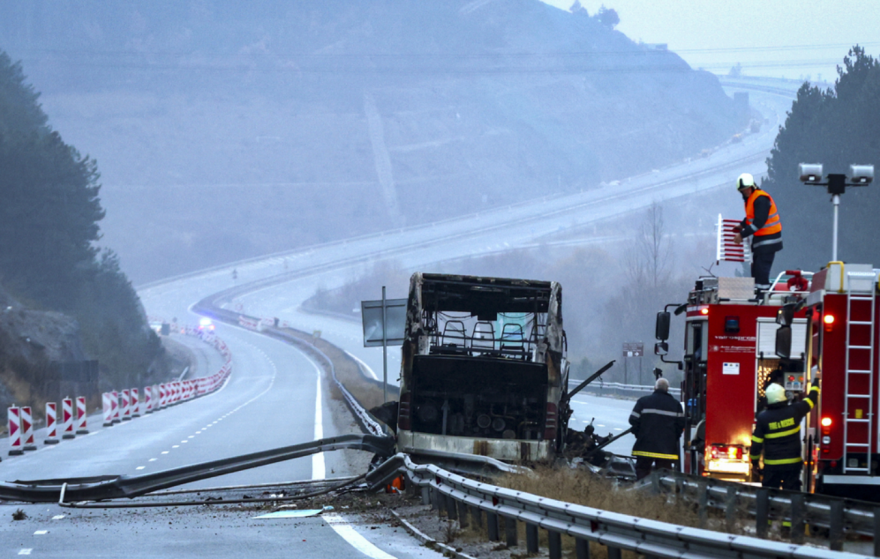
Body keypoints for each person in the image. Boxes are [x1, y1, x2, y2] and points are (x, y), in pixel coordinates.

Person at [749, 380, 820, 490]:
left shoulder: (763, 418)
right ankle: (794, 507)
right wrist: (816, 382)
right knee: (792, 494)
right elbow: (812, 399)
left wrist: (754, 463)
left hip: (772, 467)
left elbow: (756, 445)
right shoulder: (795, 410)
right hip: (792, 465)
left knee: (770, 495)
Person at [732, 173, 783, 292]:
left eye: (746, 189)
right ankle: (759, 292)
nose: (745, 192)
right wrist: (742, 225)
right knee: (757, 270)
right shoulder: (752, 199)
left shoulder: (761, 199)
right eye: (743, 191)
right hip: (762, 241)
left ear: (752, 186)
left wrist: (742, 234)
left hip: (769, 240)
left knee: (761, 270)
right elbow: (752, 218)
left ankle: (763, 295)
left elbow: (758, 222)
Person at [629, 377, 685, 480]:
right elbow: (680, 425)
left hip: (645, 446)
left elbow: (633, 420)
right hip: (666, 448)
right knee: (664, 476)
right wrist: (672, 438)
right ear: (667, 389)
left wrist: (640, 434)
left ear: (655, 387)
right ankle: (661, 494)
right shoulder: (676, 405)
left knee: (642, 471)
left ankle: (642, 492)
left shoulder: (643, 402)